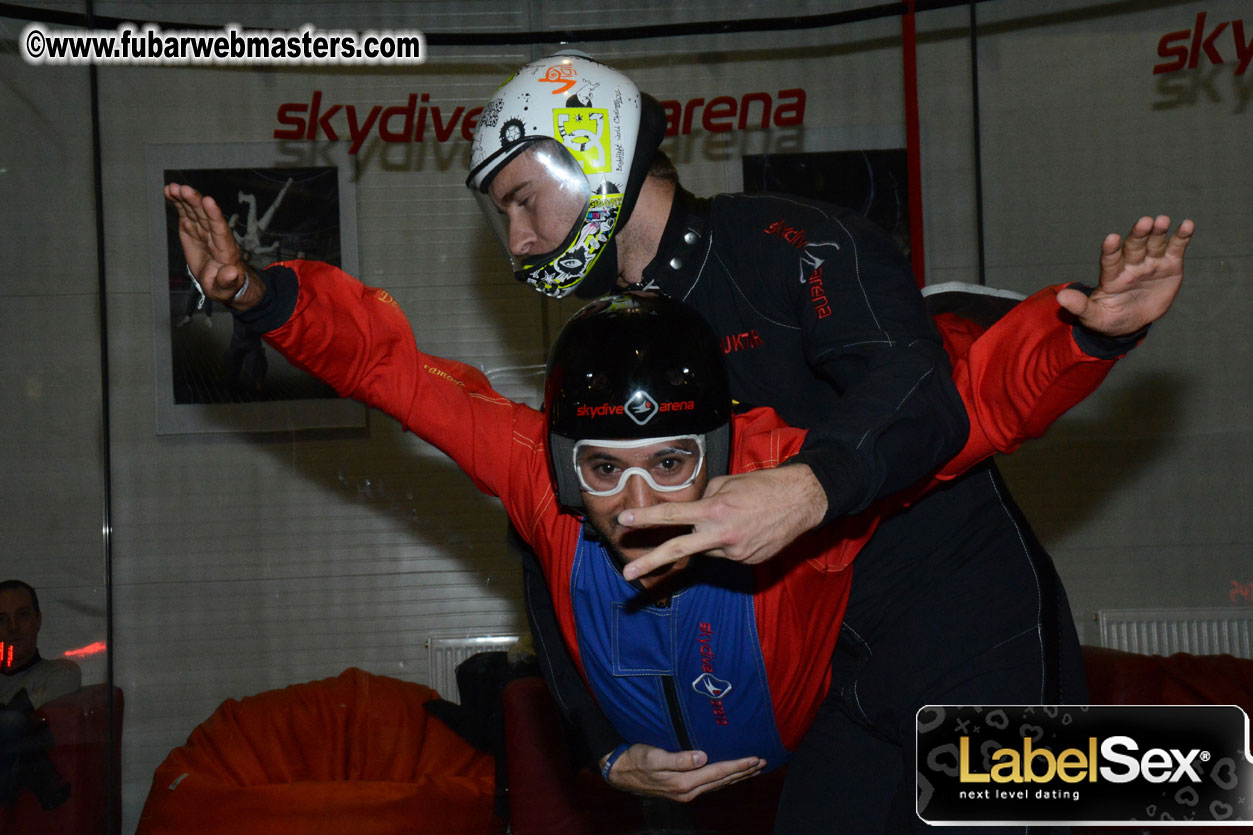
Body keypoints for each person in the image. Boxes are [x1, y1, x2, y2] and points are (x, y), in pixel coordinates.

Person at [166, 180, 1187, 833]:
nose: (637, 502)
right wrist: (257, 295)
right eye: (603, 470)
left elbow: (972, 403)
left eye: (667, 463)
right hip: (801, 729)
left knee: (1079, 790)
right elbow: (391, 372)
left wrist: (1090, 335)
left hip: (944, 657)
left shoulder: (788, 481)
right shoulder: (537, 479)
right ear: (561, 461)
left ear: (722, 448)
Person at [463, 54, 1194, 831]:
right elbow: (548, 534)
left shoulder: (793, 242)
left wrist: (804, 488)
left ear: (594, 153)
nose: (519, 239)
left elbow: (916, 389)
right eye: (502, 215)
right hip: (830, 670)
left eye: (523, 200)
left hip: (968, 626)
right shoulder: (610, 338)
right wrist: (604, 746)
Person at [0, 580, 79, 809]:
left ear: (38, 620)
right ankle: (45, 779)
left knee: (13, 722)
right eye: (2, 619)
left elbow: (19, 715)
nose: (13, 627)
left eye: (22, 615)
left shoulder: (60, 672)